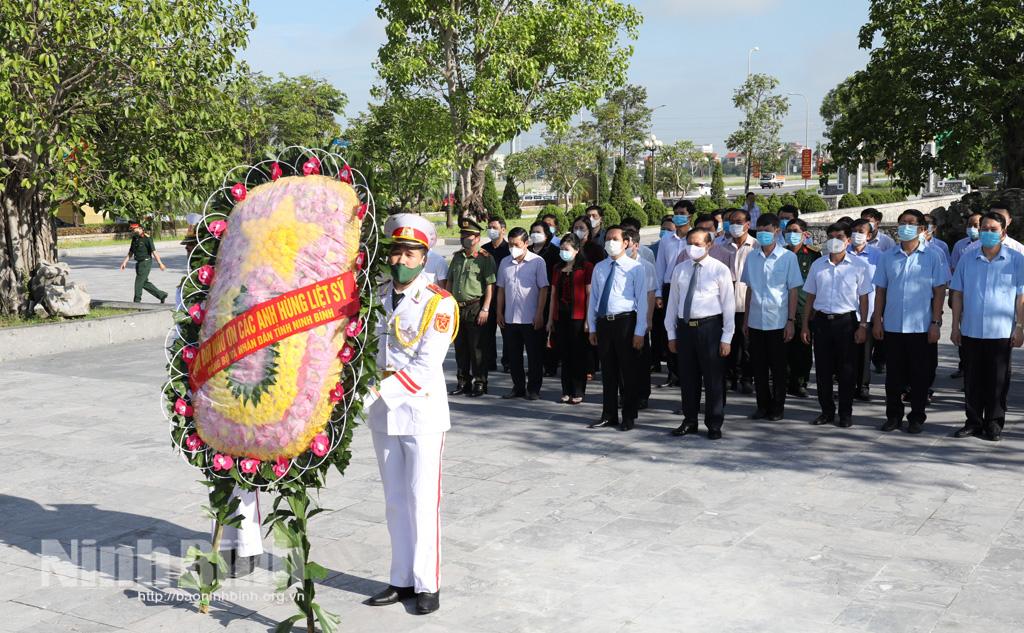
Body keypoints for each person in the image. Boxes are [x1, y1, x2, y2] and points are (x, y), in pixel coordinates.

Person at [365, 213, 456, 615]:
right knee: (395, 502)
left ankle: (428, 584)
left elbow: (424, 366)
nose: (401, 258)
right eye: (396, 251)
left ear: (424, 257)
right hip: (384, 416)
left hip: (420, 412)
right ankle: (400, 578)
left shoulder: (440, 303)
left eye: (410, 252)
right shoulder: (377, 296)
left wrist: (372, 392)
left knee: (423, 501)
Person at [871, 209, 949, 434]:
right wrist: (877, 320)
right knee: (893, 377)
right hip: (893, 326)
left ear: (921, 229)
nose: (905, 226)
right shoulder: (888, 257)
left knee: (920, 376)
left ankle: (917, 417)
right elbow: (881, 291)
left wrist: (935, 323)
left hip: (921, 327)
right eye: (902, 222)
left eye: (911, 223)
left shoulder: (933, 256)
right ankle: (893, 416)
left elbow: (939, 291)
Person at [950, 212, 1024, 442]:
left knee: (998, 380)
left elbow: (1021, 297)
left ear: (1003, 232)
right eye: (984, 229)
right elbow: (958, 294)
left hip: (1001, 331)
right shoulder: (967, 258)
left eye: (993, 229)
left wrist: (1020, 326)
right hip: (971, 329)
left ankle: (994, 422)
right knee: (972, 378)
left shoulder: (1016, 259)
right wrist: (955, 326)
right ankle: (973, 421)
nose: (988, 233)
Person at [664, 227, 734, 439]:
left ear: (709, 245)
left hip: (710, 328)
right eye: (690, 243)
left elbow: (728, 305)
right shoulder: (680, 269)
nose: (693, 248)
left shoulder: (719, 269)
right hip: (685, 329)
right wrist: (671, 333)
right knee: (687, 377)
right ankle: (690, 419)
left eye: (698, 244)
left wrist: (726, 337)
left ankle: (714, 423)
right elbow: (673, 303)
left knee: (713, 378)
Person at [801, 222, 872, 427]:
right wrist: (805, 325)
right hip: (822, 321)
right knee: (823, 370)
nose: (835, 240)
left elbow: (864, 299)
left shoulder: (859, 266)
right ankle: (826, 411)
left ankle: (846, 413)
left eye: (839, 237)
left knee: (847, 371)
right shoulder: (818, 265)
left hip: (847, 322)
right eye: (830, 236)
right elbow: (810, 297)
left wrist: (863, 326)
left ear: (848, 240)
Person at [741, 214, 804, 421]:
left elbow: (793, 291)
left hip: (778, 321)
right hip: (756, 320)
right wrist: (746, 320)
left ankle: (778, 407)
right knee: (758, 367)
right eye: (759, 230)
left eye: (767, 230)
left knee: (778, 368)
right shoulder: (752, 256)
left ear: (777, 231)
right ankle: (762, 405)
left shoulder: (788, 258)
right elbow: (749, 289)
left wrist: (791, 321)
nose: (762, 234)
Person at [586, 226, 648, 431]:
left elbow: (642, 301)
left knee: (627, 372)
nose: (610, 242)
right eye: (608, 239)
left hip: (625, 322)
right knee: (608, 371)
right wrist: (592, 326)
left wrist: (640, 331)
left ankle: (628, 416)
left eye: (615, 239)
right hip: (604, 322)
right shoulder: (600, 267)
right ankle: (608, 414)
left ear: (626, 243)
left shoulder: (635, 268)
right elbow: (593, 298)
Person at [496, 227, 550, 400]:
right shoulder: (505, 262)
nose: (513, 248)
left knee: (534, 355)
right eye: (510, 245)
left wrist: (540, 313)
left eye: (517, 244)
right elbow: (501, 290)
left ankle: (533, 388)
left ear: (526, 243)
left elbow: (543, 288)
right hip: (511, 317)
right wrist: (499, 311)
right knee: (513, 355)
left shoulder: (537, 261)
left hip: (531, 317)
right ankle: (518, 387)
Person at [446, 218, 496, 397]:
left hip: (475, 306)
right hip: (457, 307)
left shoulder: (484, 258)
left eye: (468, 235)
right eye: (462, 235)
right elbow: (450, 280)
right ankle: (463, 382)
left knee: (477, 349)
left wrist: (486, 309)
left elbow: (490, 285)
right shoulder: (457, 257)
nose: (464, 238)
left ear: (477, 237)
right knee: (460, 348)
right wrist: (448, 304)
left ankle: (480, 382)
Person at [654, 200, 695, 388]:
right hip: (669, 288)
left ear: (690, 216)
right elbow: (660, 266)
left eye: (682, 213)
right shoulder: (666, 239)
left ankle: (689, 371)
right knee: (669, 328)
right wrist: (658, 294)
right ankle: (673, 372)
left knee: (687, 330)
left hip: (690, 288)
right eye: (676, 212)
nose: (678, 216)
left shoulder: (697, 238)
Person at [547, 233, 593, 404]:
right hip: (561, 316)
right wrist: (551, 320)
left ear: (576, 250)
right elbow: (552, 295)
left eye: (566, 249)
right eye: (561, 249)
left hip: (579, 317)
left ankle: (578, 390)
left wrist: (589, 320)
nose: (563, 253)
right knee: (564, 355)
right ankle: (566, 390)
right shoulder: (557, 268)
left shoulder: (586, 267)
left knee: (578, 354)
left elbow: (589, 294)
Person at [782, 218, 820, 398]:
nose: (791, 234)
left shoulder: (813, 255)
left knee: (803, 347)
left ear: (804, 234)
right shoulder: (780, 254)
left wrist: (814, 307)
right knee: (785, 346)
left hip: (805, 307)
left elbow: (817, 283)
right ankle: (786, 379)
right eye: (788, 230)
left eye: (795, 231)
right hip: (783, 307)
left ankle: (801, 382)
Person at [721, 208, 757, 394]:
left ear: (747, 224)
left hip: (746, 302)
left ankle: (746, 377)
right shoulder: (722, 246)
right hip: (726, 304)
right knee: (728, 341)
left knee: (746, 344)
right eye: (731, 221)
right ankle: (728, 376)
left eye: (737, 222)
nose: (733, 225)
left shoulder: (756, 246)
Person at [848, 219, 882, 402]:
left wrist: (879, 314)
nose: (856, 234)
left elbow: (881, 286)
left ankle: (863, 386)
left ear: (869, 235)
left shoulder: (877, 256)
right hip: (846, 311)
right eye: (853, 230)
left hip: (867, 313)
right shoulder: (842, 252)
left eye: (860, 231)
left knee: (864, 353)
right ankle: (846, 384)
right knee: (846, 353)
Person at [624, 227, 657, 409]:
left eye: (627, 242)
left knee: (641, 358)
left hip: (640, 317)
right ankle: (627, 393)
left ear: (635, 245)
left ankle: (643, 395)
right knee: (624, 358)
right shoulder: (613, 264)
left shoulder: (646, 266)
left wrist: (648, 319)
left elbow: (651, 294)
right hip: (622, 318)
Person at [948, 211, 982, 380]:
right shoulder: (960, 245)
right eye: (970, 225)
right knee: (964, 334)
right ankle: (964, 366)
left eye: (976, 225)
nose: (972, 228)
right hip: (962, 296)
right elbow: (954, 270)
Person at [529, 220, 561, 377]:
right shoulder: (526, 250)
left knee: (547, 332)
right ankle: (536, 365)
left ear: (547, 234)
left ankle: (550, 365)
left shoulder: (554, 251)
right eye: (533, 231)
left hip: (548, 295)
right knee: (532, 335)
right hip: (529, 297)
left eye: (538, 232)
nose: (535, 235)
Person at [482, 216, 511, 373]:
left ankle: (507, 361)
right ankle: (489, 361)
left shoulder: (509, 249)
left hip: (505, 297)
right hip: (488, 296)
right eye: (489, 227)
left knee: (507, 332)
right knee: (487, 333)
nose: (491, 230)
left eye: (494, 227)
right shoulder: (484, 249)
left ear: (503, 230)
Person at [120, 222, 168, 303]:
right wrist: (125, 262)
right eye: (132, 229)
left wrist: (160, 263)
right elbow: (131, 252)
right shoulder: (135, 238)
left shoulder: (147, 238)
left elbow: (154, 252)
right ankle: (161, 295)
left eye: (134, 228)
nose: (132, 230)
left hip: (145, 263)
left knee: (138, 283)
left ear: (140, 228)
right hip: (138, 263)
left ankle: (137, 302)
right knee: (144, 282)